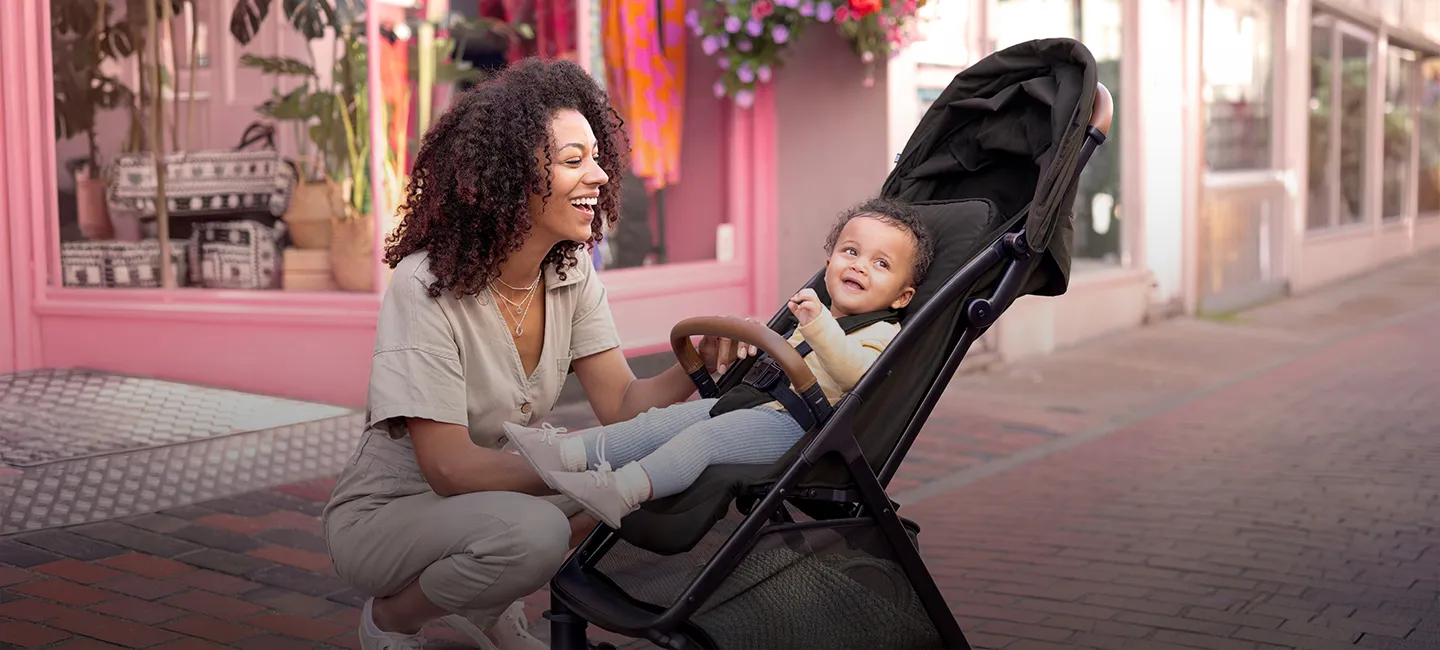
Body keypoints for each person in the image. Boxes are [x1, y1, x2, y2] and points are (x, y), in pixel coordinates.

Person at [322, 58, 749, 650]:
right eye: (574, 161)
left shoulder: (570, 273)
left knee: (642, 490)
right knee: (540, 530)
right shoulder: (425, 287)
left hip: (484, 501)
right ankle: (393, 619)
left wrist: (692, 362)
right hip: (389, 514)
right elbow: (449, 467)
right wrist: (592, 463)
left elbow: (623, 404)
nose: (598, 175)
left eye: (597, 157)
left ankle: (484, 605)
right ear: (508, 176)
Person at [504, 198, 935, 528]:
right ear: (828, 263)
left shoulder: (881, 332)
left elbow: (852, 373)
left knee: (703, 440)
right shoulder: (815, 312)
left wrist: (818, 324)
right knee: (658, 423)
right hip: (756, 405)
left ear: (902, 297)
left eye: (880, 264)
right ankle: (568, 452)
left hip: (797, 427)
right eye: (851, 252)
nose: (860, 266)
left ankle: (620, 491)